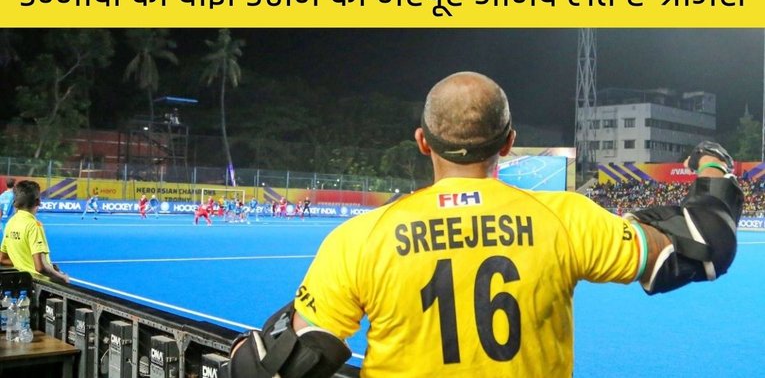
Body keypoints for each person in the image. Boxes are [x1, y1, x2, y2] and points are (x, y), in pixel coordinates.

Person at [225, 72, 744, 378]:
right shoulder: (566, 218)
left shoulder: (360, 239)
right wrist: (712, 167)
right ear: (509, 142)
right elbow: (705, 245)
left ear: (422, 141)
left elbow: (287, 362)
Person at [0, 180, 69, 283]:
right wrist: (62, 277)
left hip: (25, 281)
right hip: (41, 284)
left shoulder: (11, 223)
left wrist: (24, 263)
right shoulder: (34, 225)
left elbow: (2, 259)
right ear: (38, 202)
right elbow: (40, 268)